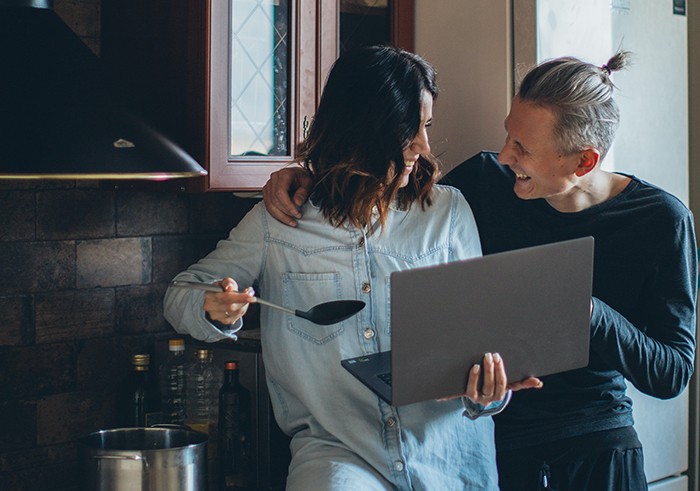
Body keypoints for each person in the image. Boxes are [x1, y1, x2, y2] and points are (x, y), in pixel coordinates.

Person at [261, 50, 698, 490]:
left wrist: (587, 312)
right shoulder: (486, 183)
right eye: (508, 135)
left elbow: (672, 372)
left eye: (522, 148)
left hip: (597, 445)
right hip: (498, 446)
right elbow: (383, 190)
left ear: (584, 161)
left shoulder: (661, 221)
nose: (504, 155)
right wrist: (302, 178)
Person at [164, 45, 539, 490]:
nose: (423, 145)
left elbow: (483, 339)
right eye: (409, 129)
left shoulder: (448, 212)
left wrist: (487, 394)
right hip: (337, 457)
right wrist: (214, 306)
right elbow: (180, 293)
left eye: (427, 126)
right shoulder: (279, 220)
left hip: (450, 458)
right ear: (364, 128)